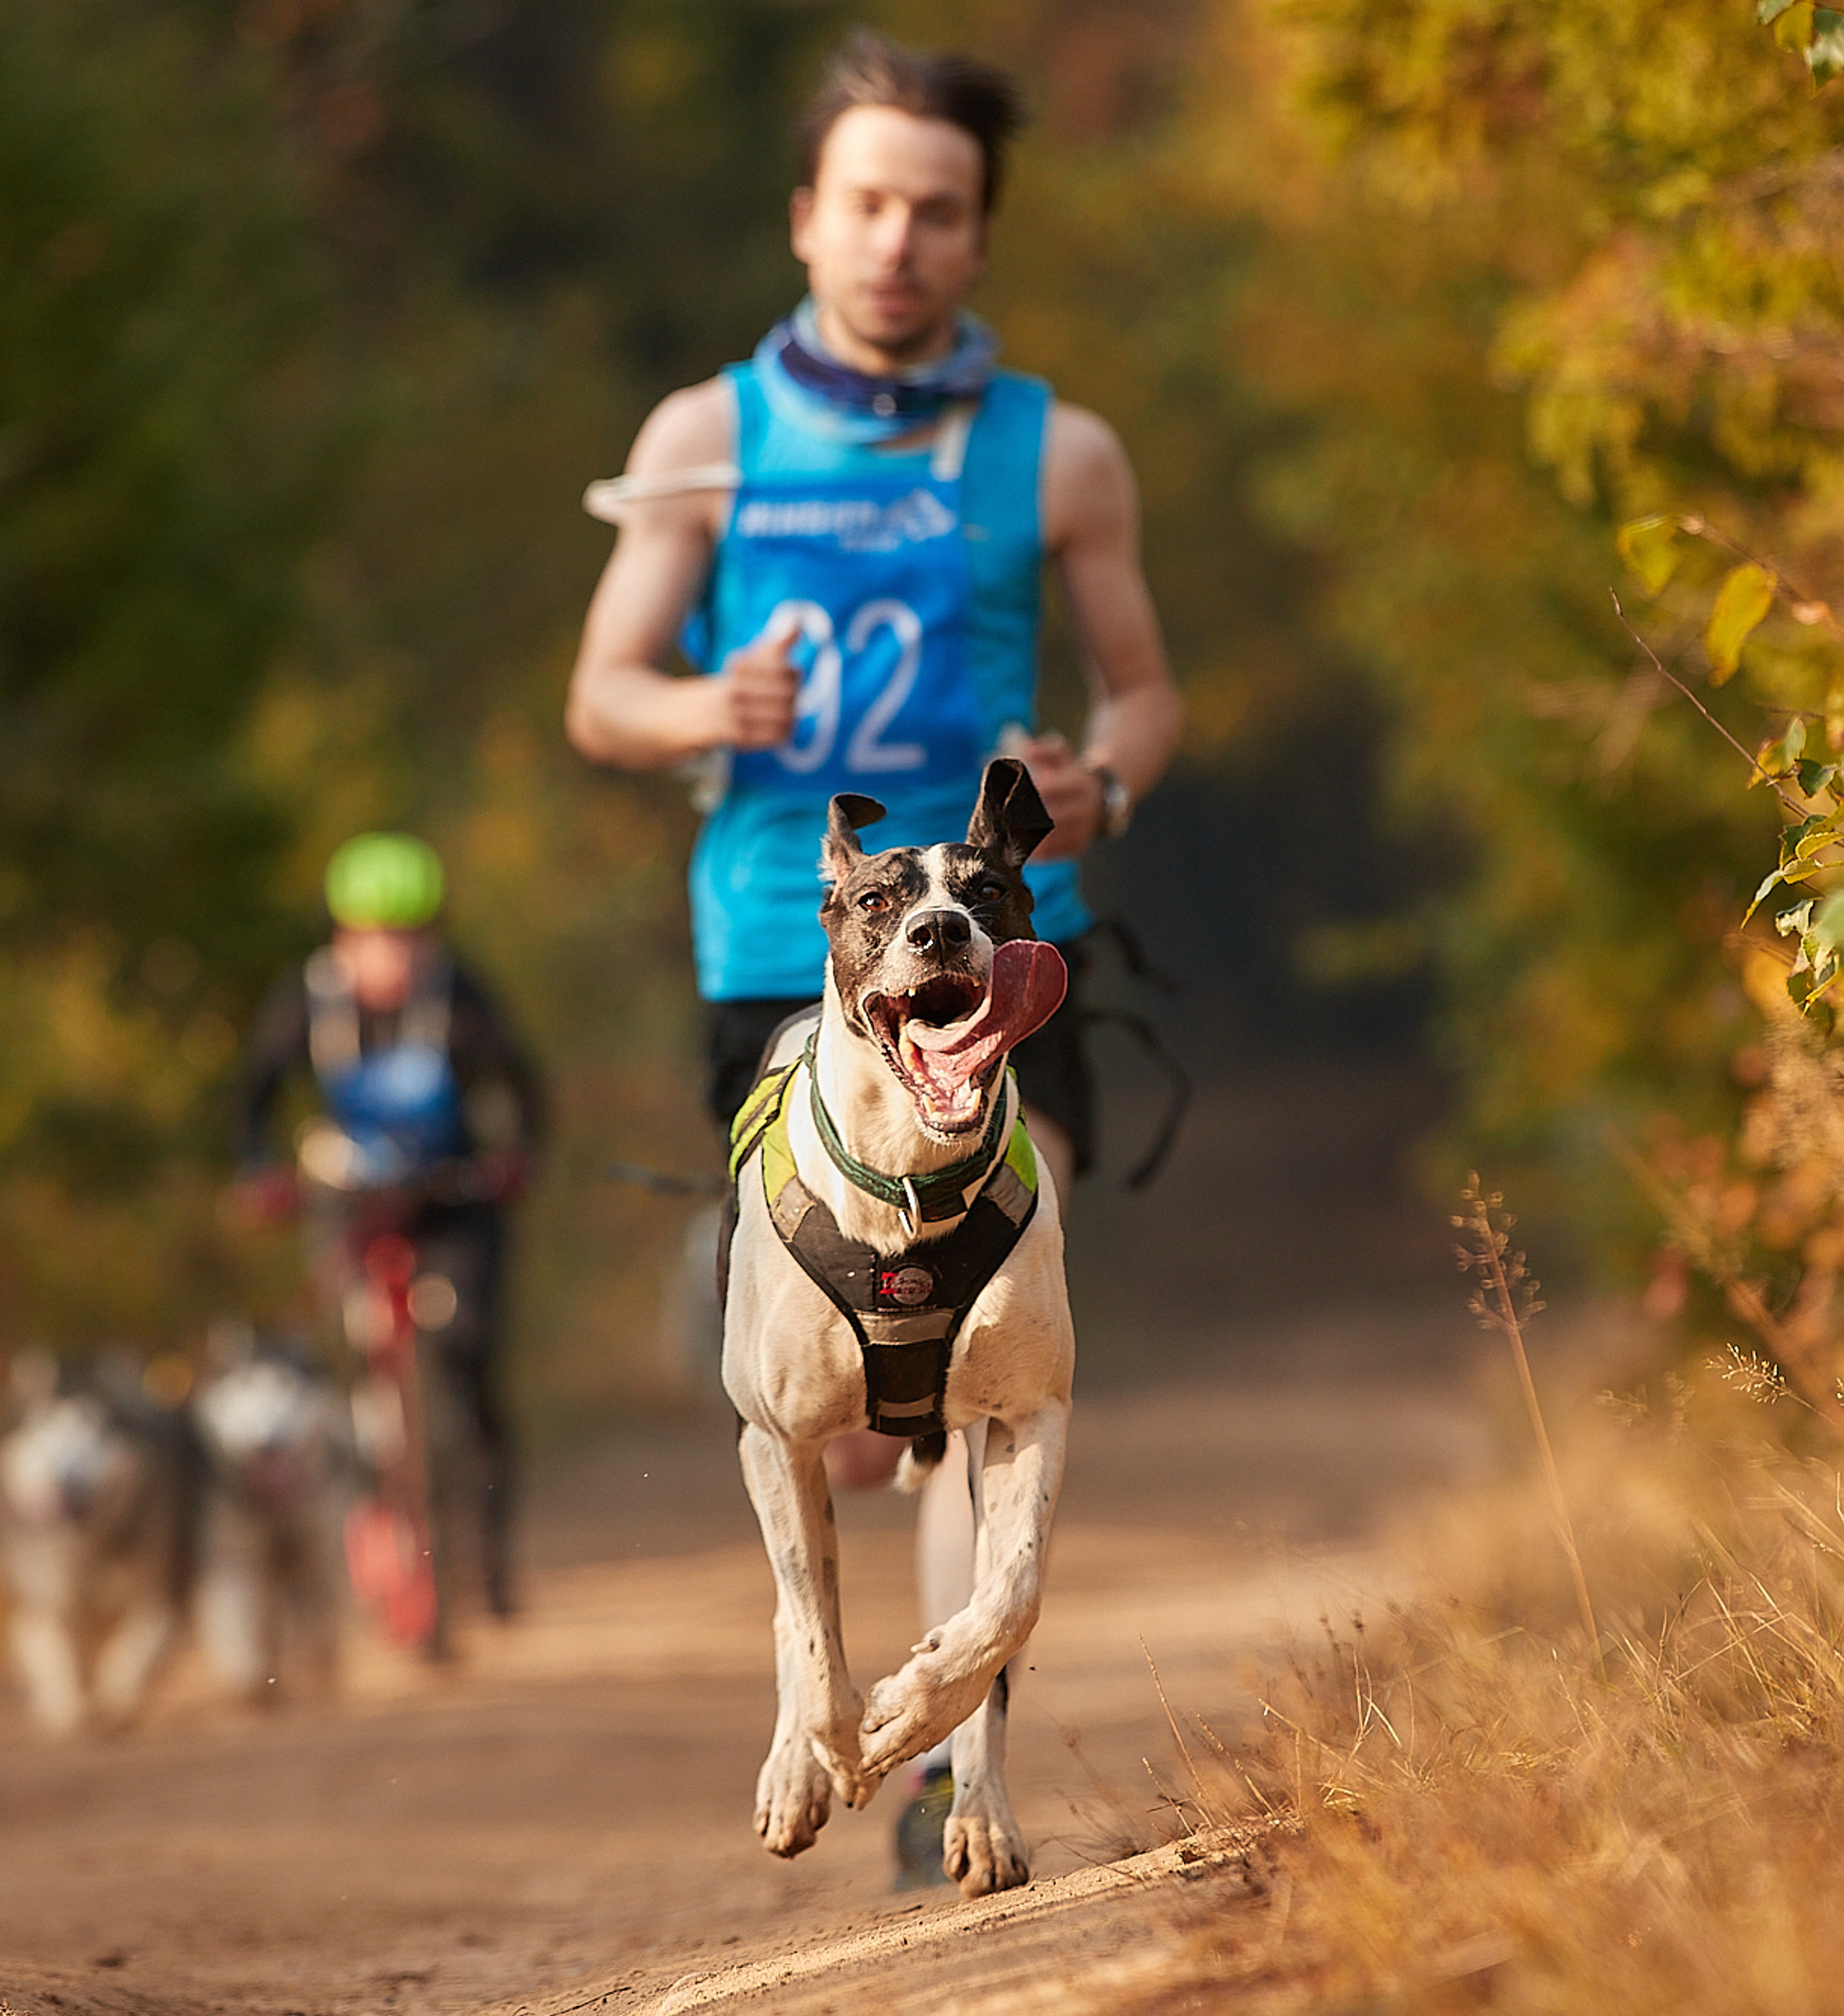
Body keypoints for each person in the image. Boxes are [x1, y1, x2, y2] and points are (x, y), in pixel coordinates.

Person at [565, 30, 1180, 1873]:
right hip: (780, 949)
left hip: (1011, 949)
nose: (897, 239)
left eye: (936, 209)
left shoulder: (1057, 450)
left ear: (978, 235)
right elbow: (600, 689)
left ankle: (940, 1759)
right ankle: (764, 1307)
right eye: (866, 204)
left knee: (987, 1355)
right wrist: (700, 708)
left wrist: (1101, 781)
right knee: (837, 1409)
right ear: (803, 219)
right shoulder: (702, 438)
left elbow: (1144, 694)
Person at [233, 832, 545, 1625]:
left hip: (454, 1199)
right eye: (373, 935)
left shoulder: (457, 995)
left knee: (466, 1351)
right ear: (341, 937)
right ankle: (375, 1514)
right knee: (348, 1356)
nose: (391, 954)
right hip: (350, 1201)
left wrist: (517, 1158)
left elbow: (522, 1085)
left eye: (408, 935)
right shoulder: (308, 1000)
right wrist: (260, 1172)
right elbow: (252, 1099)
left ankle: (485, 1554)